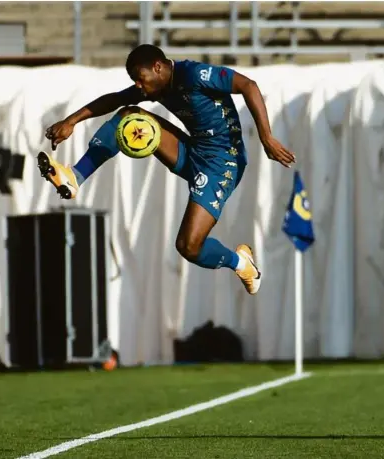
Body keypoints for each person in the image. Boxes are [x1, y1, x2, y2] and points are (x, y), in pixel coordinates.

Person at [40, 44, 296, 295]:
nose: (138, 86)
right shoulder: (156, 85)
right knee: (128, 115)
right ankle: (75, 176)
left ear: (158, 67)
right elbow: (115, 99)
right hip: (193, 151)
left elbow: (247, 85)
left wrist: (266, 138)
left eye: (140, 79)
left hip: (222, 164)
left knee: (188, 246)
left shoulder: (194, 74)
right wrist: (71, 121)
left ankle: (242, 264)